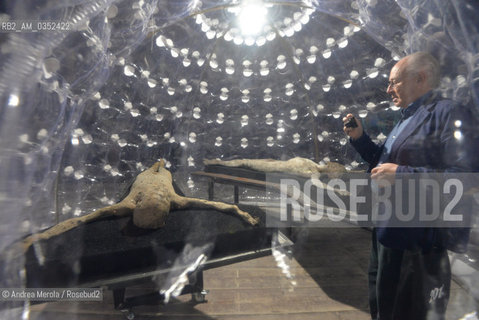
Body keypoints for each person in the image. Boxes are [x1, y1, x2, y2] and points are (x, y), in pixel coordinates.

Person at [342, 52, 476, 320]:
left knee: (408, 311)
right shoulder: (405, 117)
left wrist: (403, 174)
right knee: (383, 306)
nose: (389, 89)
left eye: (395, 82)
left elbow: (465, 179)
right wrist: (360, 139)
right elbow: (385, 165)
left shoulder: (448, 113)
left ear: (421, 78)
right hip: (386, 230)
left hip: (417, 240)